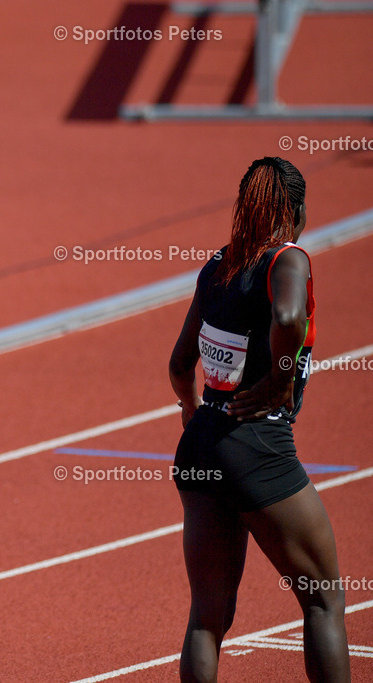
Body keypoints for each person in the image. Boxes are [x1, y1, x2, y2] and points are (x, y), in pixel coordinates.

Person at [168, 156, 350, 682]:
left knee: (207, 617)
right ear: (294, 211)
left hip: (201, 444)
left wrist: (189, 408)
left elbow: (181, 364)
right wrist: (281, 378)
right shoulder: (288, 260)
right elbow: (290, 317)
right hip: (256, 447)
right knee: (323, 601)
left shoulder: (217, 265)